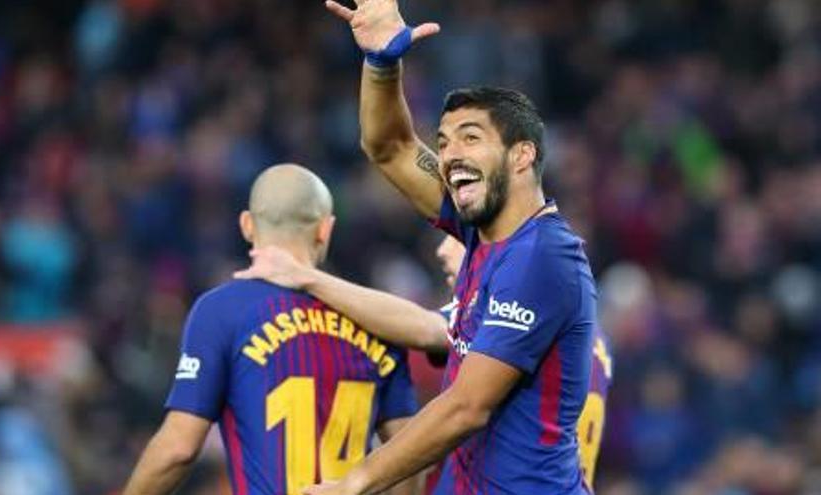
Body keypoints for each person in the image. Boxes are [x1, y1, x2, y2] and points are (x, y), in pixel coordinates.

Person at [289, 0, 602, 493]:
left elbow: (466, 406)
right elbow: (391, 147)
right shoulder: (482, 231)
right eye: (445, 140)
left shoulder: (543, 256)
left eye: (470, 138)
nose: (451, 153)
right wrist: (381, 63)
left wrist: (356, 483)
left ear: (522, 156)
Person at [123, 164, 418, 495]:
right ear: (325, 229)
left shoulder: (222, 311)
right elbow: (410, 455)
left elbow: (178, 448)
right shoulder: (379, 320)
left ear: (247, 225)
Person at [237, 235, 613, 492]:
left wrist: (308, 279)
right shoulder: (587, 335)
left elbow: (424, 331)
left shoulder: (512, 319)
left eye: (460, 237)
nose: (442, 250)